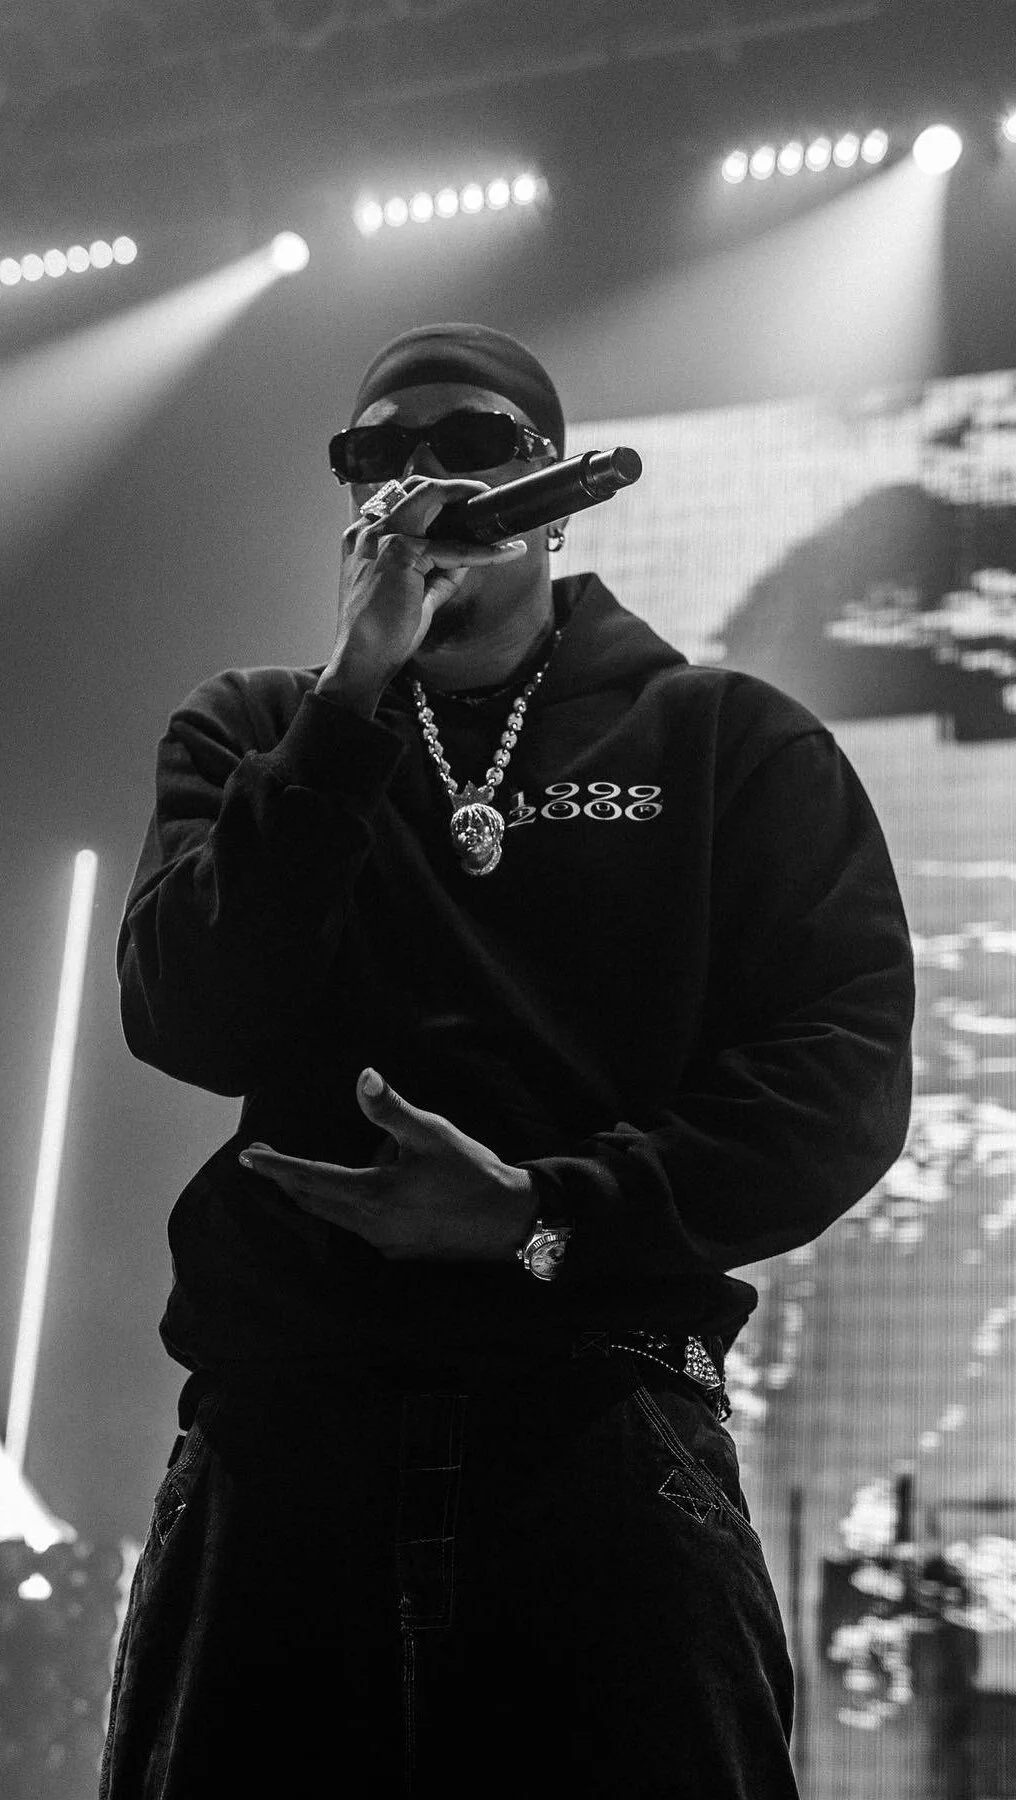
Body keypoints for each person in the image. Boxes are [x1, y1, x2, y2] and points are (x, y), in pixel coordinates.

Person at [100, 322, 915, 1799]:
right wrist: (351, 698)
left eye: (469, 443)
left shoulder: (726, 740)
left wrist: (542, 1215)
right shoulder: (257, 729)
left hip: (600, 1432)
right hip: (286, 1434)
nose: (418, 476)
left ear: (553, 488)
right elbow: (188, 1014)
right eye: (376, 453)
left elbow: (836, 1078)